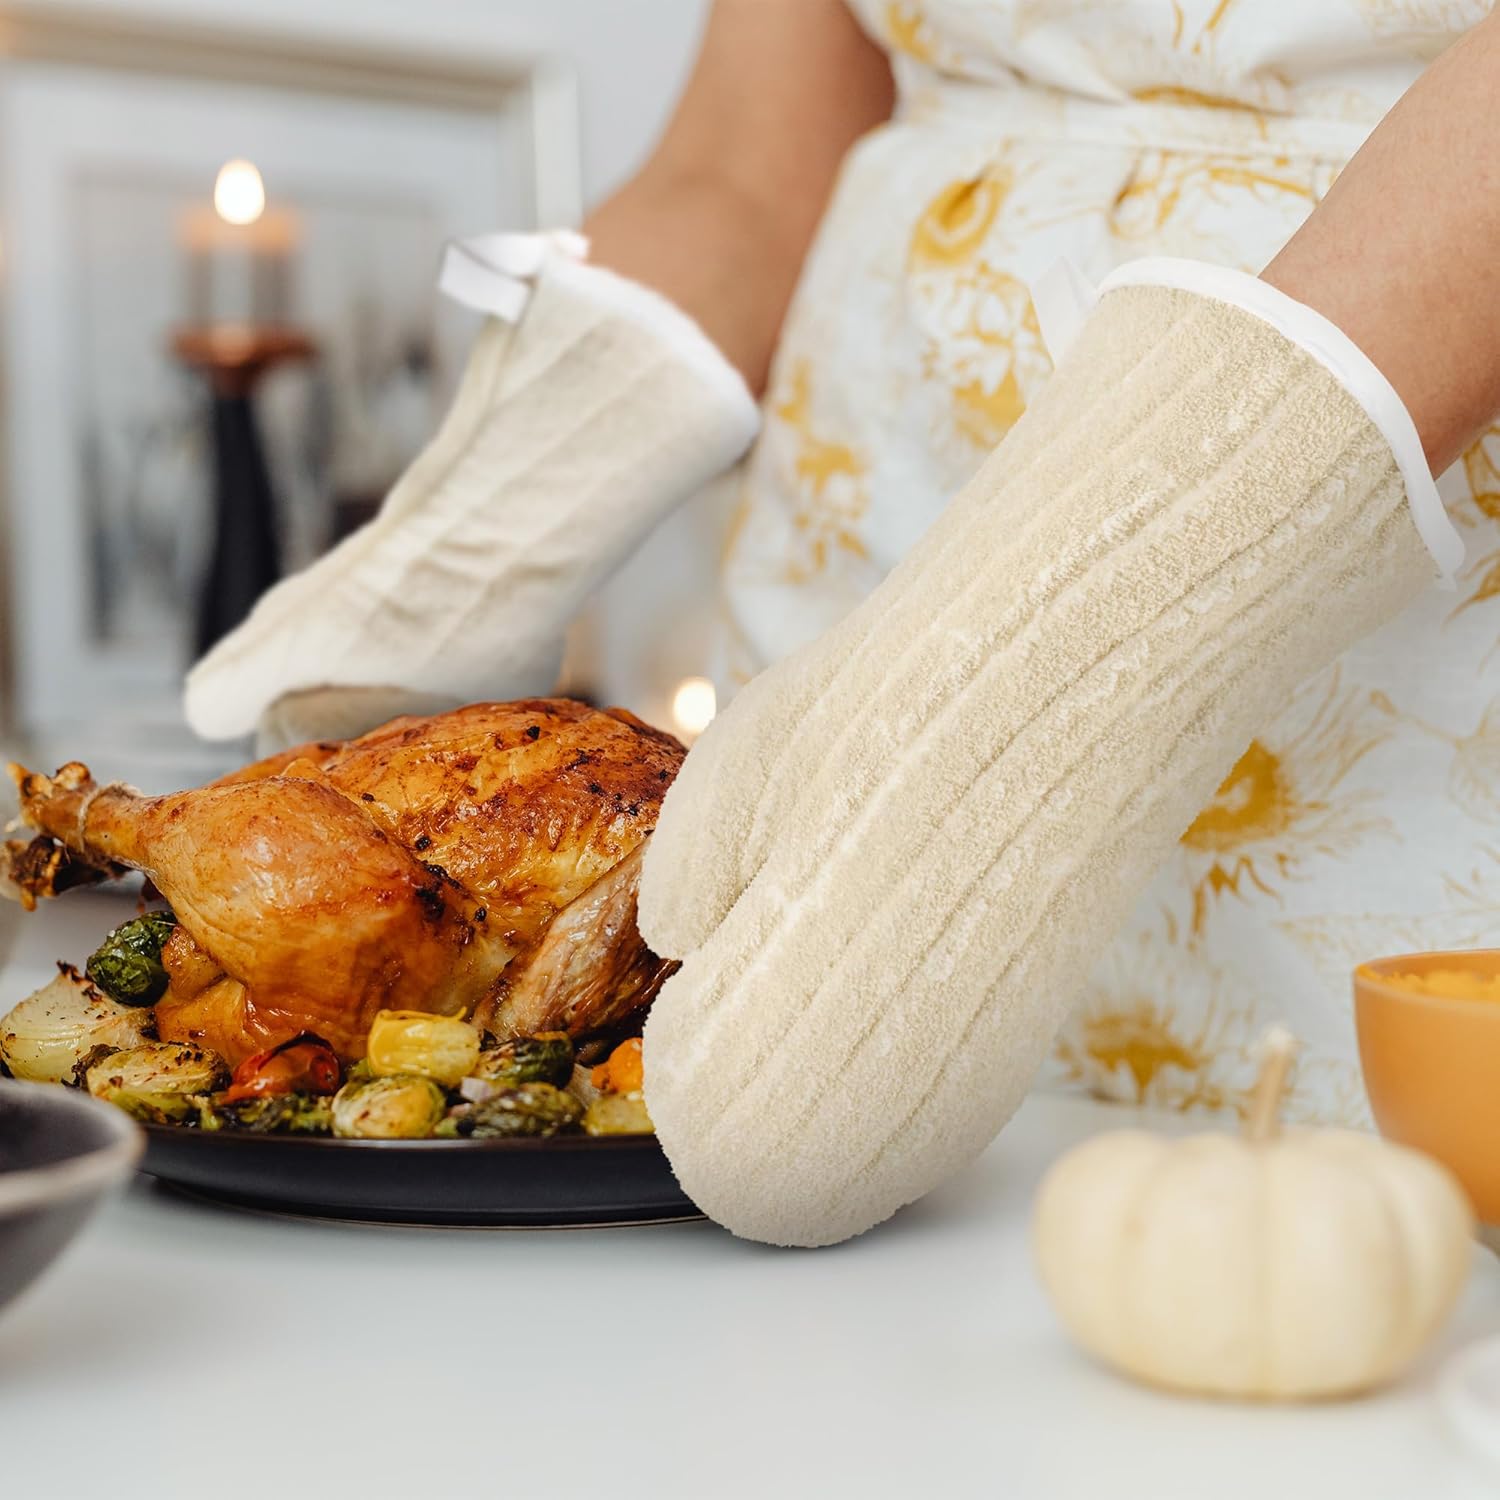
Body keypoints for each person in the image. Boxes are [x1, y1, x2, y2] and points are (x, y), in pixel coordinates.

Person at [187, 2, 1500, 1244]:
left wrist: (1062, 650)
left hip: (1372, 571)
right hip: (863, 578)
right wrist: (496, 512)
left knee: (1317, 1266)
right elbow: (745, 162)